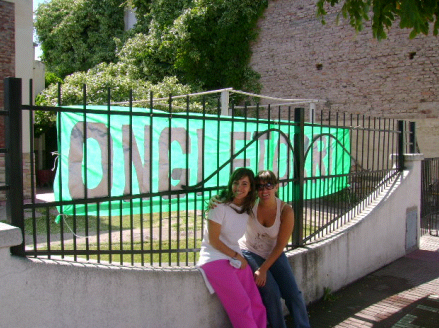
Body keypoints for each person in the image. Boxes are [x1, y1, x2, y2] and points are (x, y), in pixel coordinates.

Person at [239, 170, 310, 328]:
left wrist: (263, 269)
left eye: (268, 186)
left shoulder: (286, 211)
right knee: (271, 292)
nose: (264, 191)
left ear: (276, 186)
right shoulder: (250, 204)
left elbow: (280, 244)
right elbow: (231, 203)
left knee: (292, 293)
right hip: (250, 251)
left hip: (274, 253)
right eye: (260, 187)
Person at [197, 167, 267, 328]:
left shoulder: (248, 208)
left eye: (244, 184)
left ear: (251, 189)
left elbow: (270, 201)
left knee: (256, 302)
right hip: (214, 259)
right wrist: (237, 256)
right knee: (242, 304)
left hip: (234, 257)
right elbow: (214, 241)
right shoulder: (219, 206)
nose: (239, 188)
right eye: (236, 183)